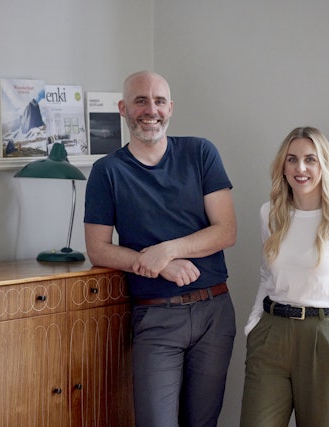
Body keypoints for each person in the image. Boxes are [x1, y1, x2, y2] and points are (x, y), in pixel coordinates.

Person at [83, 70, 237, 427]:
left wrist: (166, 251)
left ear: (171, 108)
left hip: (214, 312)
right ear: (123, 108)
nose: (150, 109)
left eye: (159, 101)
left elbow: (226, 231)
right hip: (155, 317)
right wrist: (150, 262)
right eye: (140, 100)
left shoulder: (201, 152)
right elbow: (98, 249)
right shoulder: (107, 171)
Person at [240, 127, 329, 427]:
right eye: (292, 159)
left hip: (326, 336)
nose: (300, 168)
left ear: (324, 165)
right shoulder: (270, 214)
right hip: (271, 334)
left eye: (310, 159)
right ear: (283, 165)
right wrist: (254, 325)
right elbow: (267, 276)